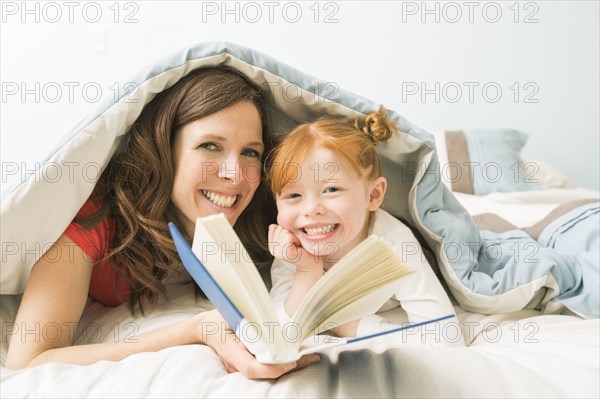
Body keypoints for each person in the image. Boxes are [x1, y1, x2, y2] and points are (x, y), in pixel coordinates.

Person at [6, 67, 320, 377]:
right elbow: (30, 360)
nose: (235, 175)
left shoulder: (266, 207)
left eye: (250, 151)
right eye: (209, 146)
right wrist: (194, 330)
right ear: (164, 150)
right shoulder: (94, 214)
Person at [267, 109, 463, 347]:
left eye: (331, 189)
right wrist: (306, 270)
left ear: (373, 195)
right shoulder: (292, 244)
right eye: (293, 195)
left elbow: (446, 339)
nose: (311, 209)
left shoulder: (394, 242)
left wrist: (348, 325)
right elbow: (281, 333)